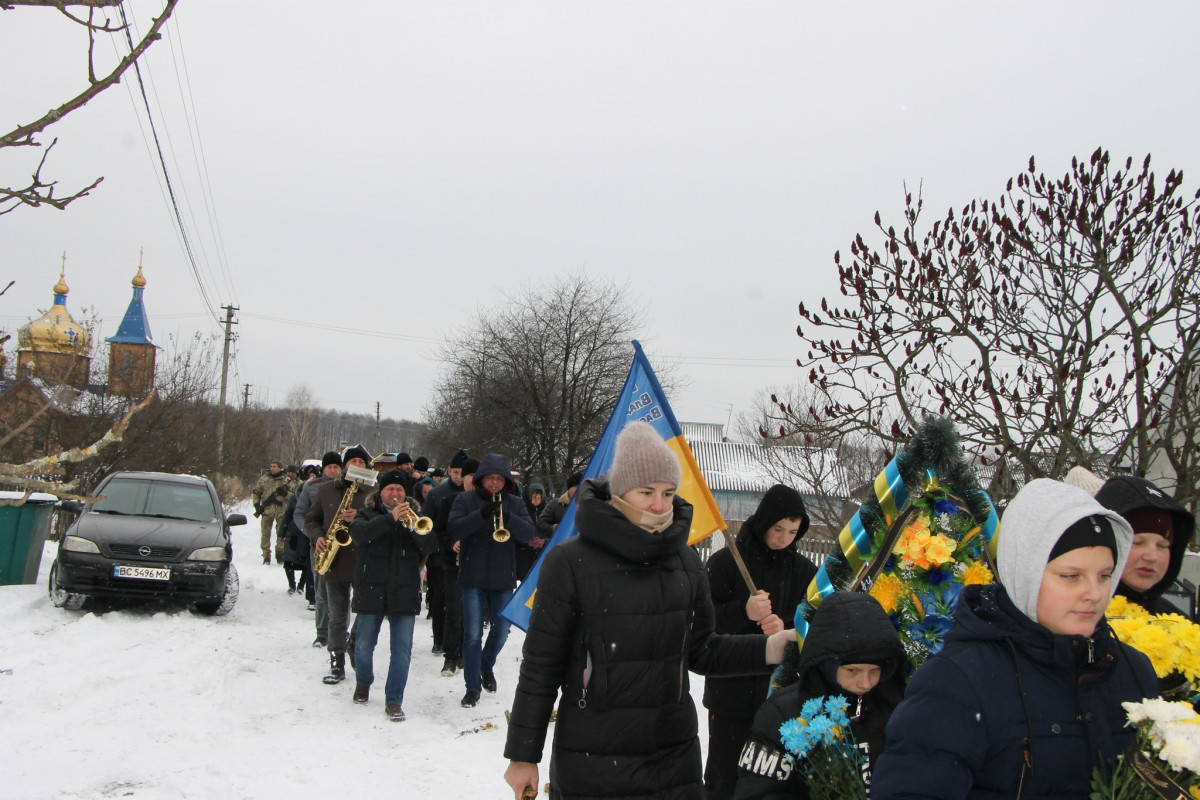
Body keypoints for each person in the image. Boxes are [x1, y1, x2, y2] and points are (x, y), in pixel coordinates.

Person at [503, 423, 794, 800]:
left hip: (673, 760)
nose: (659, 505)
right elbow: (541, 666)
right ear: (620, 490)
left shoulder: (687, 563)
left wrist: (772, 649)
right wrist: (523, 755)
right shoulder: (569, 562)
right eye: (647, 492)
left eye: (668, 493)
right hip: (593, 760)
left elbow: (703, 650)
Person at [871, 478, 1159, 800]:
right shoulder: (958, 681)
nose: (1094, 593)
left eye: (1105, 575)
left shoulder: (1133, 671)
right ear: (1026, 572)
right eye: (1071, 576)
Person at [704, 484, 819, 800]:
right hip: (730, 694)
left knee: (772, 782)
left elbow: (817, 622)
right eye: (778, 528)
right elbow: (700, 623)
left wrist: (786, 624)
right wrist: (743, 611)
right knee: (726, 781)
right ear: (763, 522)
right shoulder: (725, 564)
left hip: (781, 698)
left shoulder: (806, 572)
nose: (784, 538)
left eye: (793, 531)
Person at [734, 592, 906, 800]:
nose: (866, 682)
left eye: (875, 671)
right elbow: (758, 793)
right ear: (826, 666)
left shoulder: (897, 709)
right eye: (852, 671)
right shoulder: (782, 715)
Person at [348, 470, 438, 721]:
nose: (396, 494)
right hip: (370, 589)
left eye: (400, 490)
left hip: (404, 591)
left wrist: (410, 525)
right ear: (381, 493)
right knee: (364, 647)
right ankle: (363, 683)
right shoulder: (366, 514)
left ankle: (394, 700)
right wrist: (390, 521)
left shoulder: (416, 517)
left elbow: (430, 545)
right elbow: (360, 535)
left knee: (402, 651)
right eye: (391, 490)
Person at [447, 452, 536, 708]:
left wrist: (508, 518)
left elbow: (529, 533)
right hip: (472, 577)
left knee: (502, 631)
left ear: (506, 481)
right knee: (473, 634)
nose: (494, 483)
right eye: (490, 479)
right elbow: (455, 528)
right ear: (481, 480)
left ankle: (486, 666)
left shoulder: (515, 503)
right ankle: (472, 686)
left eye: (499, 479)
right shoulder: (465, 499)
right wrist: (482, 514)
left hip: (502, 578)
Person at [305, 444, 373, 685]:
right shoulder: (326, 490)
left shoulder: (373, 492)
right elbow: (311, 519)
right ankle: (337, 660)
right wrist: (318, 537)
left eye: (362, 462)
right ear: (346, 465)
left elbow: (384, 521)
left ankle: (353, 642)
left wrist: (363, 516)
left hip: (364, 560)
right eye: (353, 461)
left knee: (364, 612)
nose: (357, 465)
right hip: (335, 559)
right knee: (337, 614)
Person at [1095, 474, 1196, 618]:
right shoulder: (1076, 617)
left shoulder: (1177, 621)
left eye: (1162, 545)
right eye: (1137, 542)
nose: (1151, 556)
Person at [423, 449, 470, 675]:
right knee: (441, 601)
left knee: (459, 607)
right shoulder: (438, 494)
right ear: (450, 471)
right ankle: (440, 640)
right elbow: (430, 523)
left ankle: (458, 649)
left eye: (464, 473)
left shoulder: (473, 495)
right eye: (456, 472)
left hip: (464, 559)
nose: (460, 477)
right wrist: (438, 547)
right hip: (440, 555)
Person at [296, 452, 341, 641]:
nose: (333, 470)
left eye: (336, 467)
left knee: (341, 590)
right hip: (319, 545)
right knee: (321, 590)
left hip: (342, 545)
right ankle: (322, 632)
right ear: (324, 468)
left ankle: (340, 630)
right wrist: (313, 535)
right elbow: (299, 514)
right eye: (329, 467)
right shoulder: (310, 487)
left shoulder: (349, 486)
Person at [251, 461, 291, 564]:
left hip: (282, 512)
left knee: (281, 534)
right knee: (265, 534)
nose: (272, 468)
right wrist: (256, 505)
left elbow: (294, 496)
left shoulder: (286, 480)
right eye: (271, 466)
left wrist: (285, 494)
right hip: (267, 511)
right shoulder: (264, 478)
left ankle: (280, 553)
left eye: (274, 466)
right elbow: (256, 492)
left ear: (280, 468)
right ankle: (266, 555)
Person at [515, 482, 548, 582]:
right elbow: (517, 530)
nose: (536, 500)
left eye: (539, 497)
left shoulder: (547, 510)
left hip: (542, 553)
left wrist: (544, 540)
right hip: (524, 554)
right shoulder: (522, 509)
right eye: (534, 497)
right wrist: (527, 540)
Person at [536, 471, 582, 540]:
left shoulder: (591, 505)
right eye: (575, 486)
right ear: (569, 488)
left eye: (581, 486)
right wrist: (558, 529)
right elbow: (540, 525)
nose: (578, 489)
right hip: (559, 546)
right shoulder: (554, 504)